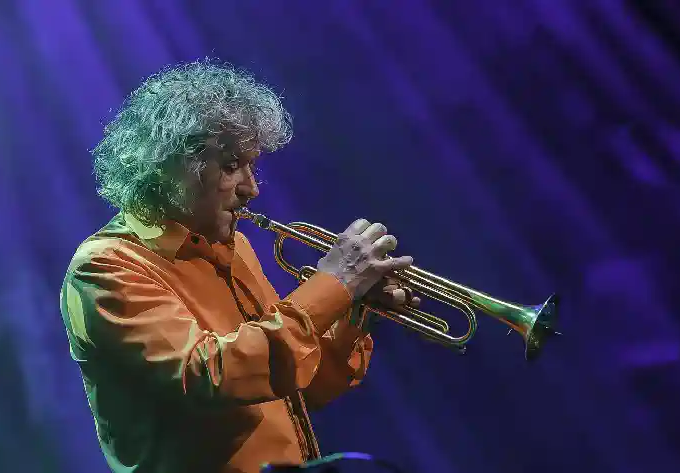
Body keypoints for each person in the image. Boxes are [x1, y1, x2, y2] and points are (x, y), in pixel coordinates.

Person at [59, 59, 419, 473]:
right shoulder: (106, 267)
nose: (252, 188)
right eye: (231, 166)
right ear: (169, 166)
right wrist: (331, 285)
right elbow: (209, 375)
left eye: (252, 166)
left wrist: (351, 307)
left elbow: (299, 386)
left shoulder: (236, 246)